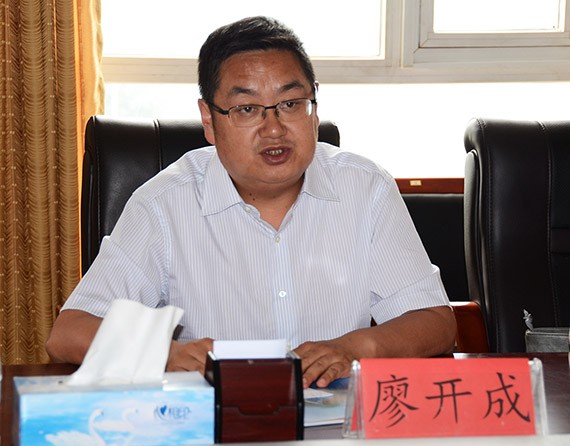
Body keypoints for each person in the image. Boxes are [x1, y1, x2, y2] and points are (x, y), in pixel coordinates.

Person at [46, 16, 456, 388]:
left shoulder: (366, 188)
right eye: (246, 109)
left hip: (337, 425)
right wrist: (165, 354)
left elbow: (435, 322)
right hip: (216, 427)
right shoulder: (163, 204)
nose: (273, 128)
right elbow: (69, 333)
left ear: (314, 109)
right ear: (209, 120)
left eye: (291, 104)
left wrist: (353, 348)